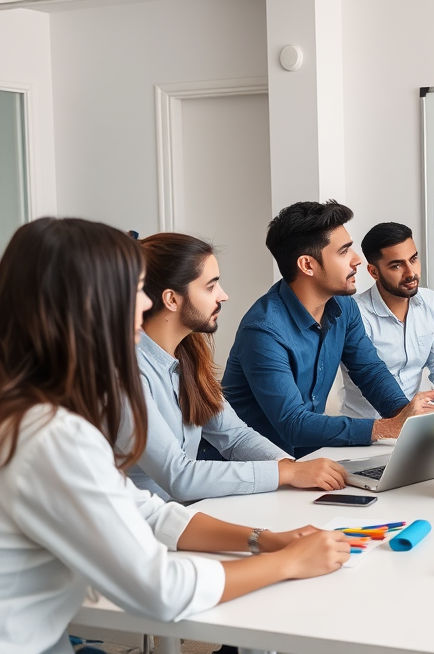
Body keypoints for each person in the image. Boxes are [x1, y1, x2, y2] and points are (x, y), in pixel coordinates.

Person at [0, 218, 355, 654]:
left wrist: (264, 539)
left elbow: (147, 512)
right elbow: (160, 589)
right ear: (92, 306)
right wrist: (286, 563)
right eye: (134, 291)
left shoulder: (35, 415)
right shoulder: (52, 435)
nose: (141, 304)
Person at [119, 232, 348, 503]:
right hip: (143, 530)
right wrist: (284, 472)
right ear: (171, 299)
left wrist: (295, 468)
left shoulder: (189, 356)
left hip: (185, 517)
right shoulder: (125, 373)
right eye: (210, 286)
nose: (223, 295)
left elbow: (236, 436)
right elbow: (178, 476)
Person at [222, 201, 434, 459]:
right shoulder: (263, 331)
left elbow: (369, 371)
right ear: (307, 265)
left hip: (308, 459)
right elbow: (293, 423)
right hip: (256, 470)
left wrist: (409, 419)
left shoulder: (343, 307)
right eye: (344, 251)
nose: (357, 260)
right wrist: (385, 428)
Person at [339, 222, 434, 419]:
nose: (410, 273)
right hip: (369, 430)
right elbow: (370, 376)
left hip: (416, 423)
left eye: (413, 259)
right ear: (374, 272)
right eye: (396, 265)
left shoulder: (430, 301)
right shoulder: (355, 313)